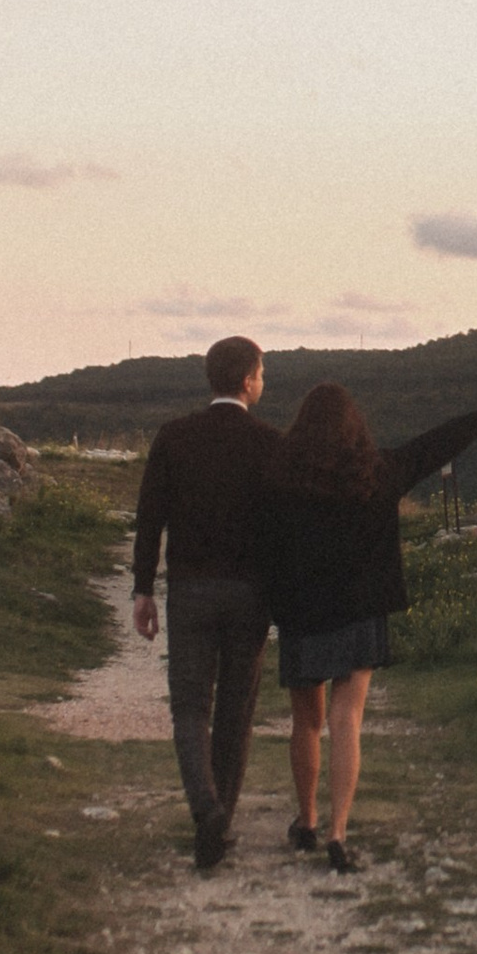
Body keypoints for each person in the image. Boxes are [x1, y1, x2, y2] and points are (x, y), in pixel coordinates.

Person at [252, 379, 477, 872]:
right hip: (359, 610)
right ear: (355, 425)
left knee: (306, 722)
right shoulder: (379, 472)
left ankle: (306, 820)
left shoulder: (280, 478)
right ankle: (338, 832)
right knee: (346, 719)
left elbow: (263, 545)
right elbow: (432, 445)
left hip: (303, 612)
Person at [130, 333, 279, 872]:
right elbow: (283, 532)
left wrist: (143, 587)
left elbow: (151, 519)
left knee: (190, 707)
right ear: (246, 380)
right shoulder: (270, 443)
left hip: (189, 590)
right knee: (236, 712)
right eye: (262, 373)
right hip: (250, 594)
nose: (263, 381)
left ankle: (206, 811)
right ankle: (222, 822)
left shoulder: (174, 438)